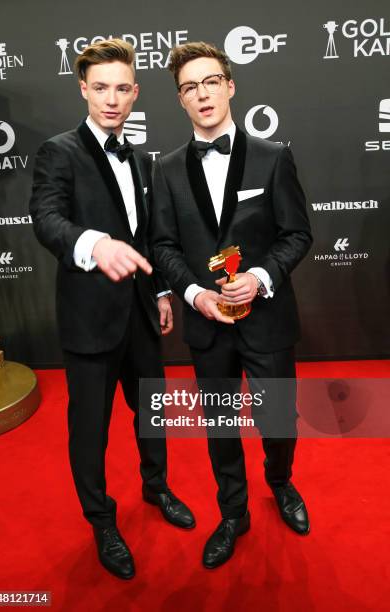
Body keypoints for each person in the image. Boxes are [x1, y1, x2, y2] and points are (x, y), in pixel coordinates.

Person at [29, 38, 195, 581]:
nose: (112, 99)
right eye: (100, 88)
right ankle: (101, 520)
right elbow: (47, 219)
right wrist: (92, 244)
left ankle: (157, 488)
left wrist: (164, 293)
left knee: (152, 416)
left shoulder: (144, 160)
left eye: (122, 88)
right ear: (83, 89)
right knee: (90, 429)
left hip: (143, 315)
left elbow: (148, 238)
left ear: (135, 93)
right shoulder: (60, 151)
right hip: (89, 319)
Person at [151, 42, 313, 569]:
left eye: (210, 81)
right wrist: (195, 295)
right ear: (180, 99)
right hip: (208, 326)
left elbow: (297, 234)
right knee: (220, 426)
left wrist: (262, 276)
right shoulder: (169, 169)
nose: (202, 94)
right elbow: (163, 247)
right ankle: (233, 512)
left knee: (279, 420)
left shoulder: (273, 157)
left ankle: (281, 482)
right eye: (190, 87)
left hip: (266, 319)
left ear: (230, 85)